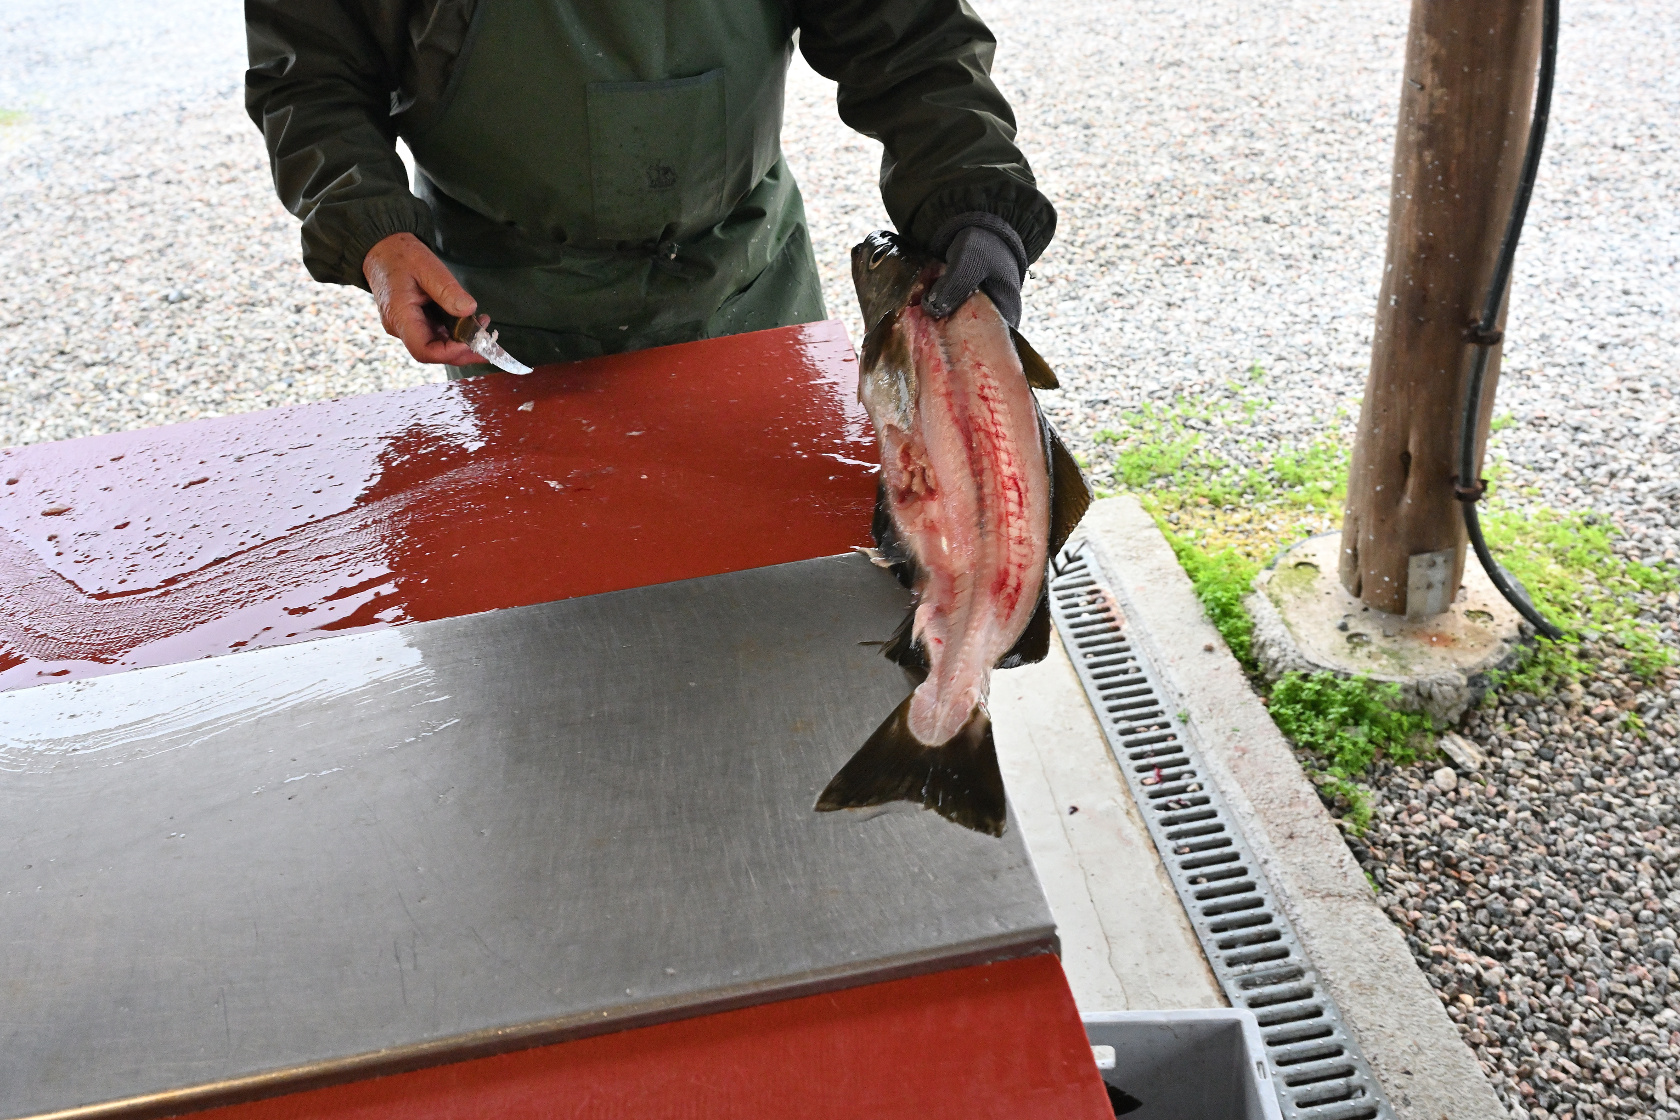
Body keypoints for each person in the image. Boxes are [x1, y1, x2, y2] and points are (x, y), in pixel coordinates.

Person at [246, 0, 1056, 375]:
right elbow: (309, 79)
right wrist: (374, 235)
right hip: (503, 316)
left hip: (747, 294)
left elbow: (909, 35)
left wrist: (971, 195)